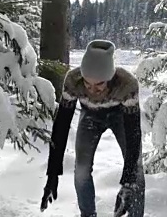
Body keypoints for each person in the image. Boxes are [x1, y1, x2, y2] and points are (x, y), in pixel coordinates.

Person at [40, 40, 145, 217]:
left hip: (121, 116)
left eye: (99, 85)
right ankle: (88, 214)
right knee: (81, 169)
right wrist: (52, 174)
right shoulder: (73, 80)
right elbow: (61, 126)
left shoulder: (127, 84)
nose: (93, 90)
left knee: (136, 169)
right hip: (90, 116)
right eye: (88, 85)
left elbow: (134, 134)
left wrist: (128, 181)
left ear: (110, 78)